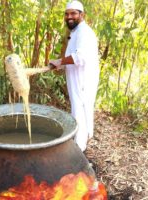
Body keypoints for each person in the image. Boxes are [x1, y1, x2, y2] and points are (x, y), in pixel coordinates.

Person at [50, 0, 99, 152]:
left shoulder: (84, 32)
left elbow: (80, 57)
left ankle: (79, 151)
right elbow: (72, 56)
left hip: (83, 80)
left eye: (73, 13)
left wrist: (60, 61)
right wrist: (60, 64)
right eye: (67, 14)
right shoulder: (75, 32)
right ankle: (80, 144)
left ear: (82, 15)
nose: (69, 17)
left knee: (81, 112)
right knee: (78, 110)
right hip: (77, 79)